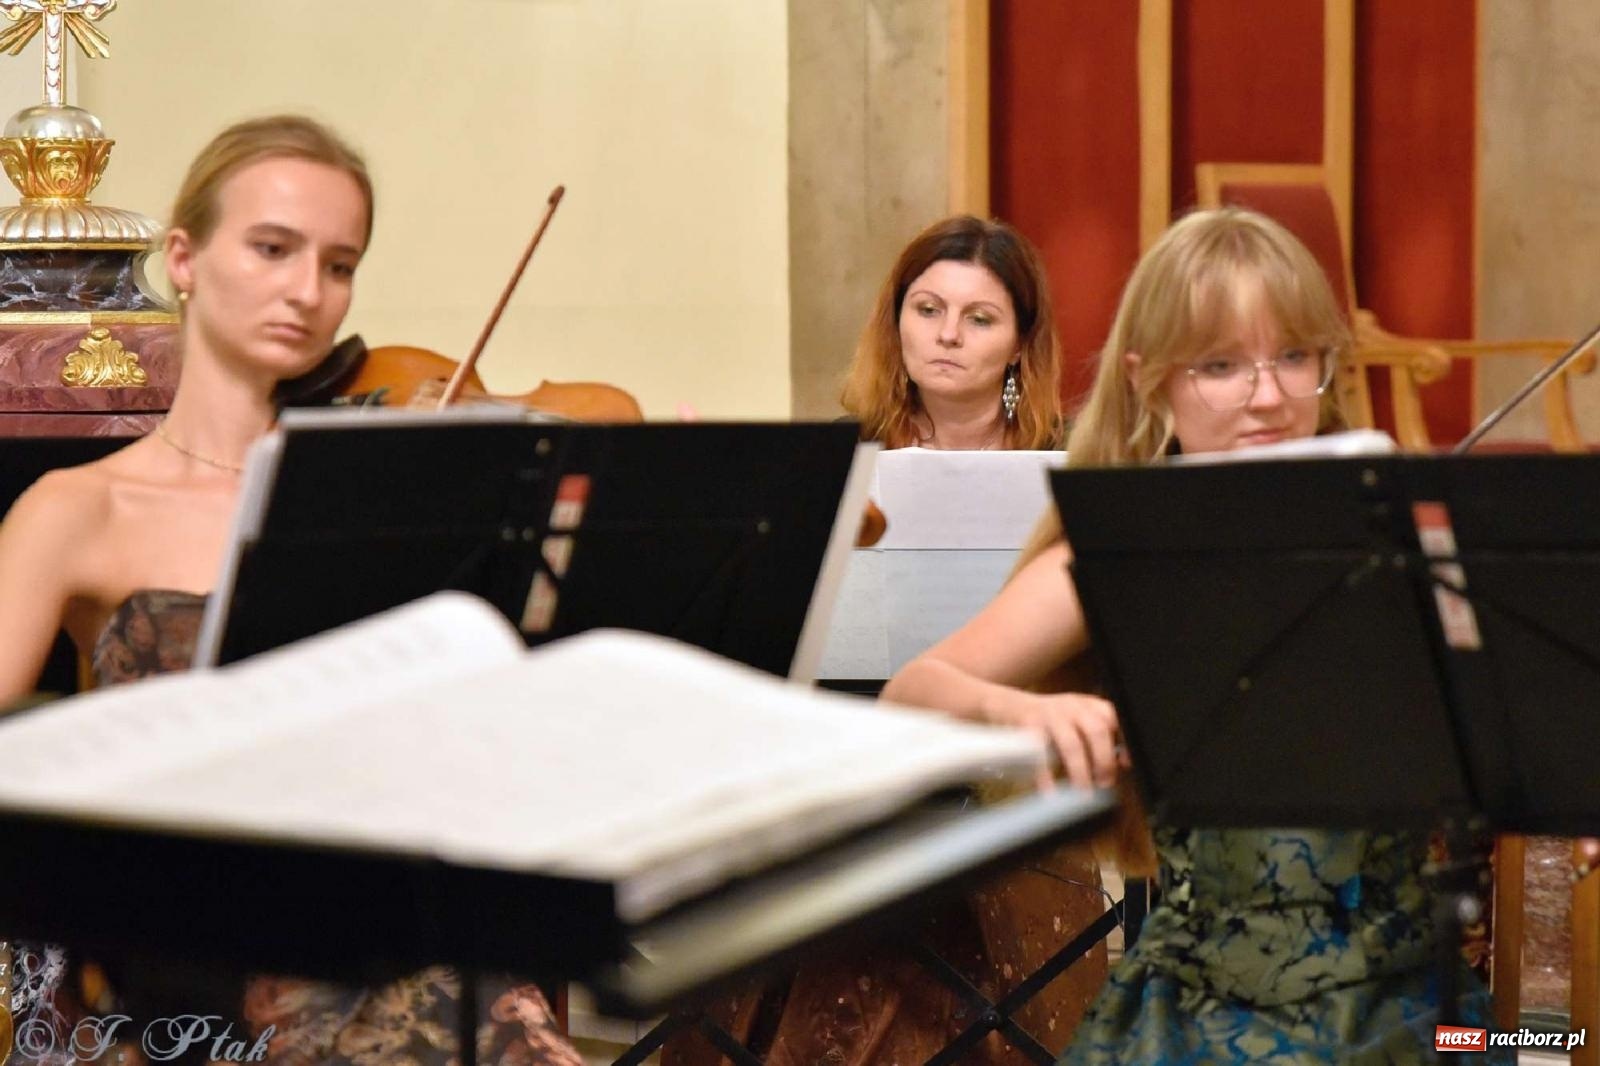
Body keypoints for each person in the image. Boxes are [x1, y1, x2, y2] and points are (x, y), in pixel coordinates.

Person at [0, 114, 580, 1066]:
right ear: (183, 259)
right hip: (171, 951)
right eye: (273, 249)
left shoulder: (374, 493)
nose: (310, 292)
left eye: (340, 264)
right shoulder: (78, 508)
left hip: (373, 911)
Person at [883, 206, 1507, 1064]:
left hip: (1422, 1008)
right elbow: (911, 690)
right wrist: (1016, 711)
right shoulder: (1123, 554)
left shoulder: (1397, 536)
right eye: (1221, 365)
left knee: (1555, 1039)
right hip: (1207, 1011)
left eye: (1295, 357)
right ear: (1149, 380)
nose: (1269, 395)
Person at [841, 214, 1063, 450]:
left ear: (1020, 344)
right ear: (896, 322)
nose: (948, 335)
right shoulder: (844, 451)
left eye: (979, 319)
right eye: (928, 310)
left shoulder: (1070, 454)